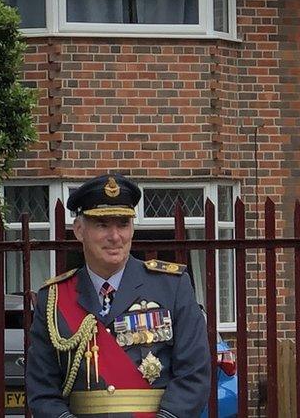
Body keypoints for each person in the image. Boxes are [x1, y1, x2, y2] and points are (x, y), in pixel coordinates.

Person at [26, 173, 212, 418]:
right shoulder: (54, 298)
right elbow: (41, 390)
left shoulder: (172, 286)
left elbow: (194, 373)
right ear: (80, 230)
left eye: (123, 224)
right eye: (102, 225)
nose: (115, 237)